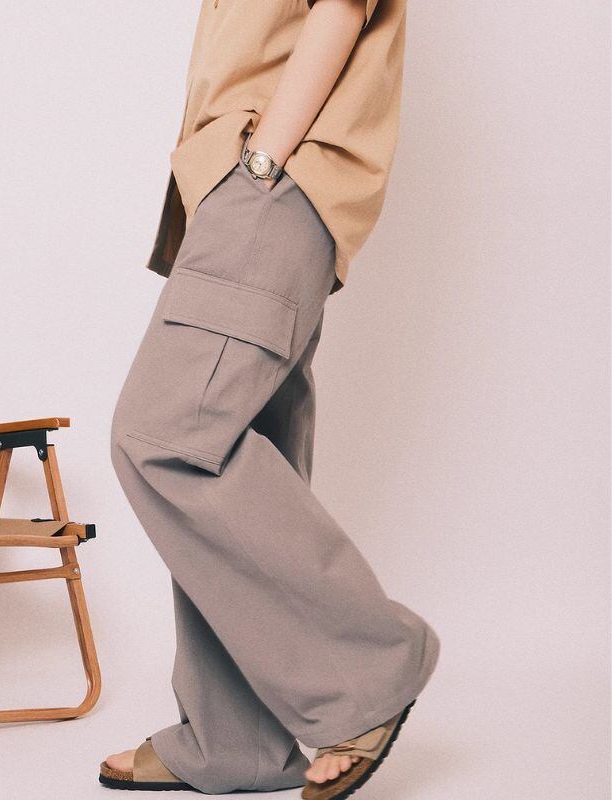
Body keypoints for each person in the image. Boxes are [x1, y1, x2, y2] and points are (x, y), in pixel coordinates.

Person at [101, 2, 439, 798]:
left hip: (275, 177)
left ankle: (369, 668)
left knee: (165, 436)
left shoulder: (268, 167)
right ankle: (236, 738)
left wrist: (261, 162)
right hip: (260, 180)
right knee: (225, 439)